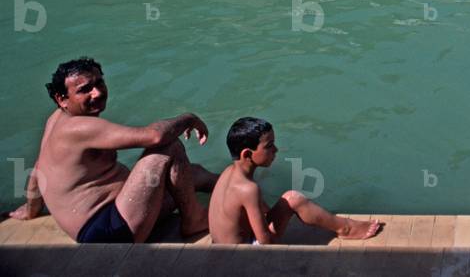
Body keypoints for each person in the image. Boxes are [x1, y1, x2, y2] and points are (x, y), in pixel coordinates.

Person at [7, 57, 217, 243]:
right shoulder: (80, 127)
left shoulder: (56, 120)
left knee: (194, 173)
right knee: (168, 147)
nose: (97, 92)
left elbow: (39, 167)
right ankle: (193, 220)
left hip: (113, 218)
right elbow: (155, 136)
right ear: (61, 99)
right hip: (109, 232)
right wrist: (189, 118)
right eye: (85, 89)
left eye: (99, 82)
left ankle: (242, 188)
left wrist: (31, 209)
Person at [208, 117, 381, 245]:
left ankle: (343, 226)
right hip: (240, 260)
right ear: (247, 154)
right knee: (294, 199)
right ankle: (345, 228)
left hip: (222, 251)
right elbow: (266, 243)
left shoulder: (228, 173)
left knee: (285, 202)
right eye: (269, 146)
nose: (276, 149)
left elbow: (250, 208)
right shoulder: (248, 189)